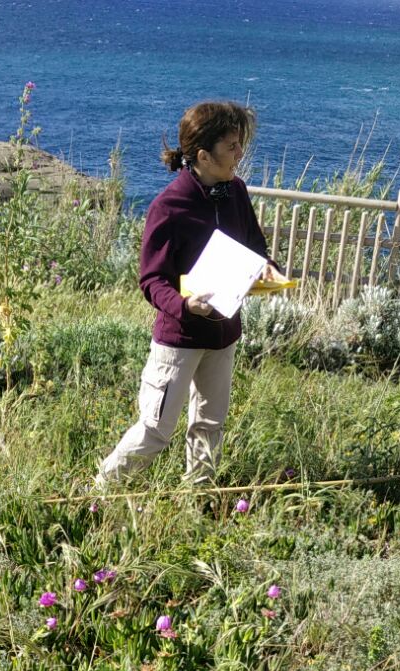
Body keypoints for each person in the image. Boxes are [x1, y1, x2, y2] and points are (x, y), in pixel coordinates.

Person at [96, 101, 283, 487]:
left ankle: (197, 497)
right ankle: (99, 490)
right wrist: (184, 306)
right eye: (231, 146)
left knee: (210, 425)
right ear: (202, 155)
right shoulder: (168, 207)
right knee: (155, 430)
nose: (239, 154)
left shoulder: (236, 191)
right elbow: (151, 280)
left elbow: (255, 245)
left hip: (224, 333)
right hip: (179, 340)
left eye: (239, 144)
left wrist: (267, 266)